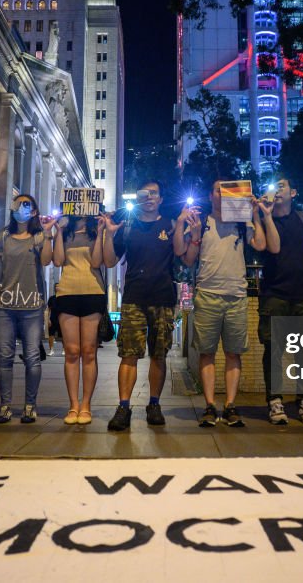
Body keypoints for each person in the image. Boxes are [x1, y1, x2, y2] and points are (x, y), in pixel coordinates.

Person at [179, 179, 273, 428]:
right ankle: (210, 405)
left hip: (236, 295)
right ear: (210, 196)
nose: (222, 194)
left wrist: (253, 213)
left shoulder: (242, 223)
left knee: (234, 353)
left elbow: (261, 245)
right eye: (218, 190)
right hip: (207, 294)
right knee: (207, 353)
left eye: (227, 190)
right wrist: (196, 236)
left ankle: (230, 405)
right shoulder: (201, 223)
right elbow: (188, 260)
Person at [103, 180, 179, 431]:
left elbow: (182, 255)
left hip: (163, 298)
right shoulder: (128, 228)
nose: (149, 198)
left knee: (159, 354)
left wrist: (183, 228)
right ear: (138, 198)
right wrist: (109, 234)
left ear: (160, 199)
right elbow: (110, 261)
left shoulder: (169, 225)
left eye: (153, 194)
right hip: (134, 298)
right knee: (129, 354)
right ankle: (123, 406)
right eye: (144, 194)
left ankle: (154, 404)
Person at [258, 175, 303, 425]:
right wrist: (267, 216)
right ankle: (275, 401)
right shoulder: (263, 218)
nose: (277, 190)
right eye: (273, 187)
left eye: (282, 186)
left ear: (294, 193)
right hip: (274, 294)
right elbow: (274, 248)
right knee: (273, 351)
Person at [0, 194, 54, 424]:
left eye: (26, 204)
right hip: (4, 305)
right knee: (5, 357)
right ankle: (5, 406)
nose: (20, 207)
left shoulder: (39, 237)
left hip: (32, 305)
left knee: (32, 357)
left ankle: (29, 406)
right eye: (17, 203)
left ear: (34, 211)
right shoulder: (3, 236)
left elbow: (46, 261)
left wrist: (49, 234)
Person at [52, 214, 111, 425]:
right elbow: (58, 260)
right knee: (71, 351)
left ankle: (85, 405)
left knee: (88, 351)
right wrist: (58, 231)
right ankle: (73, 405)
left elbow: (97, 262)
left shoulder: (96, 232)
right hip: (66, 293)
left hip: (92, 292)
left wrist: (102, 230)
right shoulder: (64, 232)